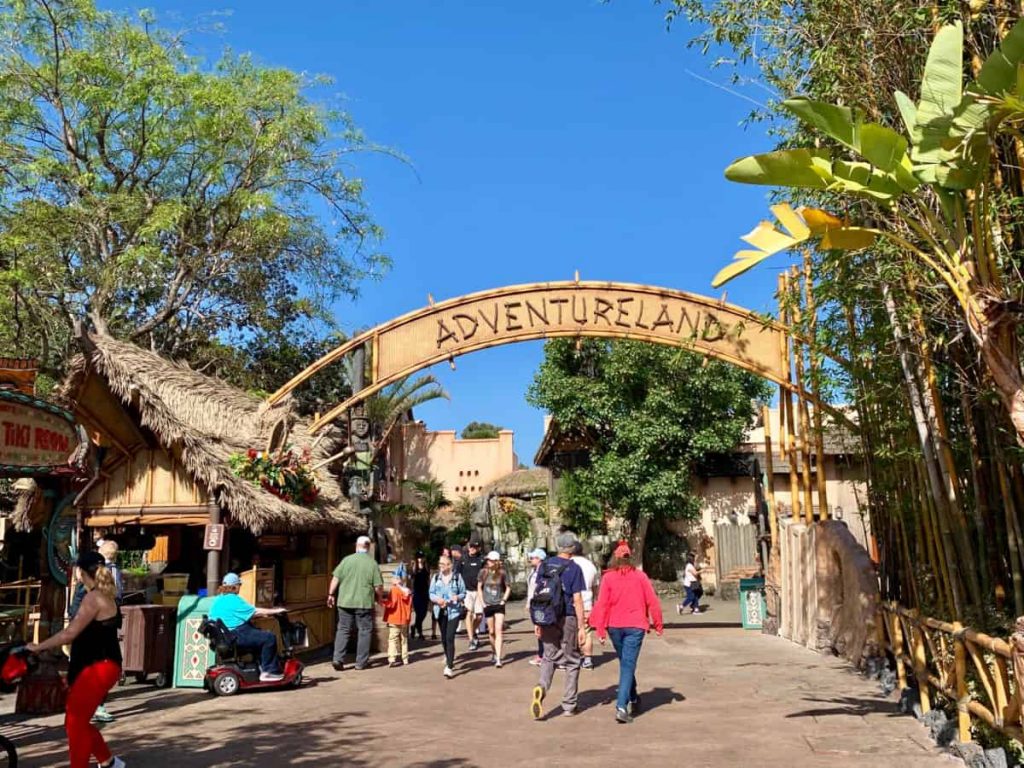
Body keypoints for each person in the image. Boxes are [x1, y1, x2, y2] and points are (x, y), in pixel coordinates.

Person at [27, 551, 126, 768]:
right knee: (77, 722)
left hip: (98, 667)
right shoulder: (104, 594)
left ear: (81, 572)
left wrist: (38, 647)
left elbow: (69, 633)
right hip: (103, 666)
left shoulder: (93, 598)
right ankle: (109, 763)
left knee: (75, 723)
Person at [589, 541, 664, 724]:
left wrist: (600, 630)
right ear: (629, 558)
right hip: (635, 626)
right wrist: (658, 624)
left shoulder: (608, 578)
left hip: (614, 627)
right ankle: (622, 706)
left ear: (616, 558)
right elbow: (653, 601)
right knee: (627, 665)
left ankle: (634, 697)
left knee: (626, 663)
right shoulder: (640, 577)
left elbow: (602, 604)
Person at [530, 532, 587, 719]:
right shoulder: (574, 568)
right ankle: (569, 705)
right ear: (572, 548)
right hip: (567, 617)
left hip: (546, 615)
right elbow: (577, 599)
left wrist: (537, 621)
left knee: (549, 656)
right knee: (572, 659)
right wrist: (581, 626)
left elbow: (537, 592)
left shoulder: (544, 565)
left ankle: (542, 687)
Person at [208, 572, 287, 680]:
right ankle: (269, 671)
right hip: (235, 635)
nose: (239, 588)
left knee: (258, 635)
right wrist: (276, 611)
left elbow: (238, 614)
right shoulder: (234, 599)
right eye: (239, 586)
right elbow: (255, 611)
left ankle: (260, 666)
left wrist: (263, 614)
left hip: (223, 637)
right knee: (269, 638)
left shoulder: (217, 600)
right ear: (235, 586)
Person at [329, 535, 383, 671]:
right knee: (364, 631)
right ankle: (360, 662)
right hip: (363, 602)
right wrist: (379, 597)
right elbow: (378, 586)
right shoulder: (372, 563)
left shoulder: (346, 560)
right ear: (368, 547)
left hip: (344, 601)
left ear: (356, 546)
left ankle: (338, 659)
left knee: (343, 629)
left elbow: (335, 578)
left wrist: (330, 594)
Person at [428, 554, 466, 678]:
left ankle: (449, 666)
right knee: (444, 637)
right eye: (440, 564)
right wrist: (438, 600)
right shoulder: (436, 578)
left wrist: (457, 597)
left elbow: (463, 592)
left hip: (453, 611)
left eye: (444, 564)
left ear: (450, 565)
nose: (441, 567)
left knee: (450, 637)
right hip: (440, 610)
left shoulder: (457, 577)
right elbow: (431, 593)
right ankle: (448, 656)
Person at [477, 551, 511, 667]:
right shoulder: (483, 572)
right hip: (488, 604)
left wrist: (503, 600)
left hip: (499, 604)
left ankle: (498, 659)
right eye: (488, 560)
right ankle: (494, 652)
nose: (488, 562)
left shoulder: (502, 573)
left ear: (496, 561)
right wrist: (482, 602)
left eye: (491, 560)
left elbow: (508, 588)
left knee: (499, 630)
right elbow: (479, 587)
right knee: (491, 632)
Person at [571, 541, 599, 670]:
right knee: (587, 632)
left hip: (570, 603)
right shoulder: (590, 565)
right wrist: (595, 602)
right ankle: (587, 660)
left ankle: (571, 658)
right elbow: (595, 587)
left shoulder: (568, 564)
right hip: (587, 603)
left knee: (569, 631)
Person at [380, 564, 413, 667]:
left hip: (394, 618)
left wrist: (383, 602)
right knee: (404, 639)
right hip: (404, 619)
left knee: (393, 639)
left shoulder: (394, 590)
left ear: (396, 579)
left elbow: (392, 604)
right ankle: (405, 658)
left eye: (393, 578)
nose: (391, 580)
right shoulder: (407, 590)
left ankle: (392, 658)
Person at [457, 539, 486, 648]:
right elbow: (457, 574)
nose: (473, 549)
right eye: (471, 546)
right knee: (468, 613)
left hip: (479, 591)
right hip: (467, 591)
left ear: (479, 548)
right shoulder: (463, 559)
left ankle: (472, 632)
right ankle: (471, 639)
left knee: (479, 615)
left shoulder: (482, 559)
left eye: (475, 547)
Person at [525, 548, 546, 666]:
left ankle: (543, 655)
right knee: (538, 629)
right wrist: (528, 603)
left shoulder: (543, 571)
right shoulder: (534, 571)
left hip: (540, 604)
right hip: (533, 603)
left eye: (532, 558)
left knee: (540, 628)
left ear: (539, 559)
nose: (530, 559)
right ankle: (542, 654)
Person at [411, 552, 432, 641]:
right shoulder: (414, 567)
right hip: (416, 593)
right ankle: (420, 633)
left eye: (422, 557)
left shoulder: (427, 567)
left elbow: (429, 579)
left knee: (424, 613)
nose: (420, 559)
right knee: (418, 613)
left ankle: (414, 626)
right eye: (418, 557)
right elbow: (411, 580)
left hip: (425, 592)